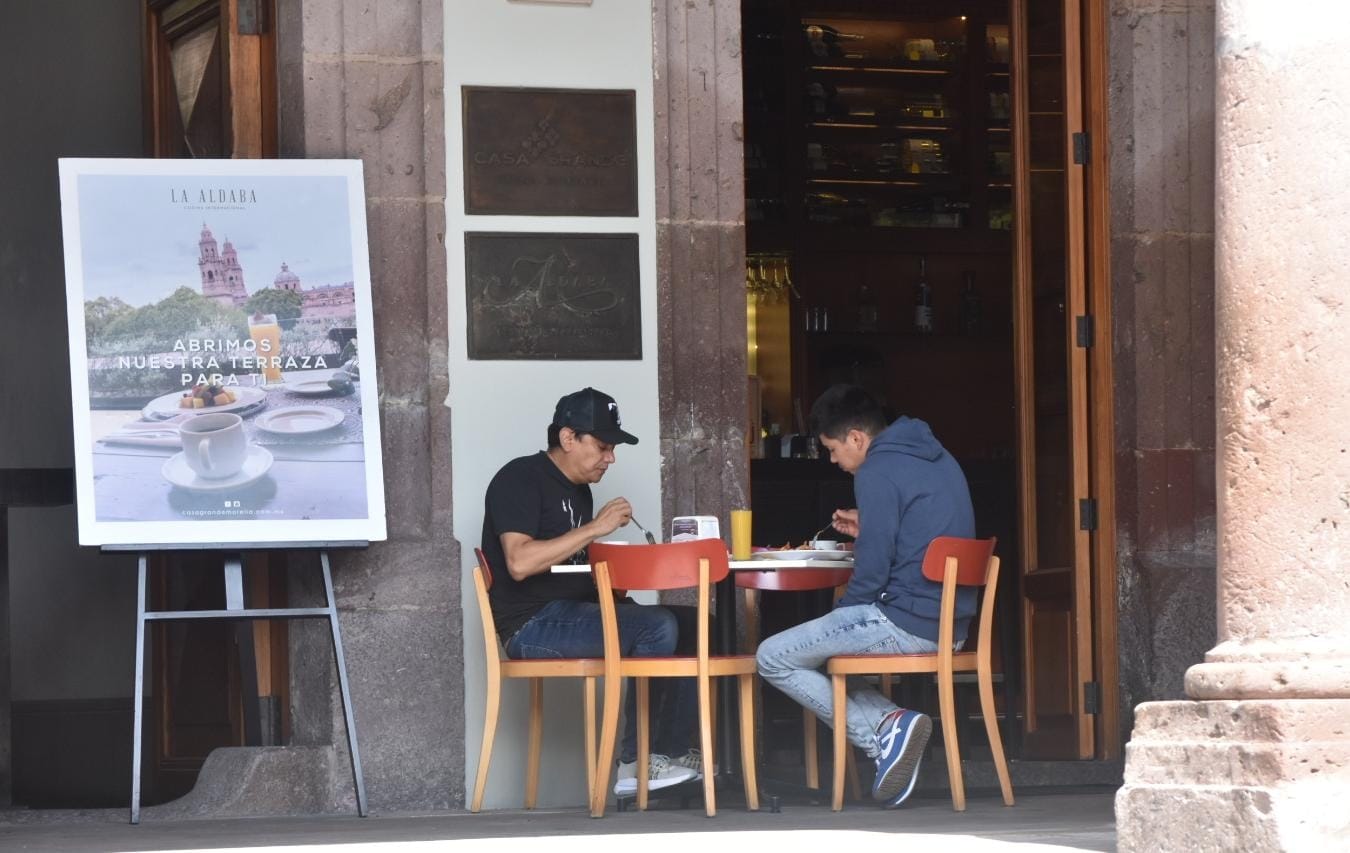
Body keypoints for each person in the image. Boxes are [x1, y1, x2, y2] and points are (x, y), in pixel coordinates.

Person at [756, 384, 976, 808]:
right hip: (949, 622)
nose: (834, 461)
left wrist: (843, 614)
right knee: (832, 661)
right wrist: (873, 525)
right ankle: (890, 723)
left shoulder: (878, 468)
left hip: (907, 620)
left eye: (833, 449)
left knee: (773, 657)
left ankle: (881, 735)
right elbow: (917, 530)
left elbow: (872, 572)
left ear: (856, 438)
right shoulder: (933, 455)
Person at [481, 387, 701, 795]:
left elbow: (575, 566)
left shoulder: (578, 490)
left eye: (612, 448)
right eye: (603, 446)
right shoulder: (520, 478)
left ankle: (670, 753)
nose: (611, 457)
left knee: (694, 624)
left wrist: (619, 584)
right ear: (568, 438)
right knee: (656, 626)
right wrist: (596, 528)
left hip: (572, 612)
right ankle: (635, 764)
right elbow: (520, 562)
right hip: (531, 625)